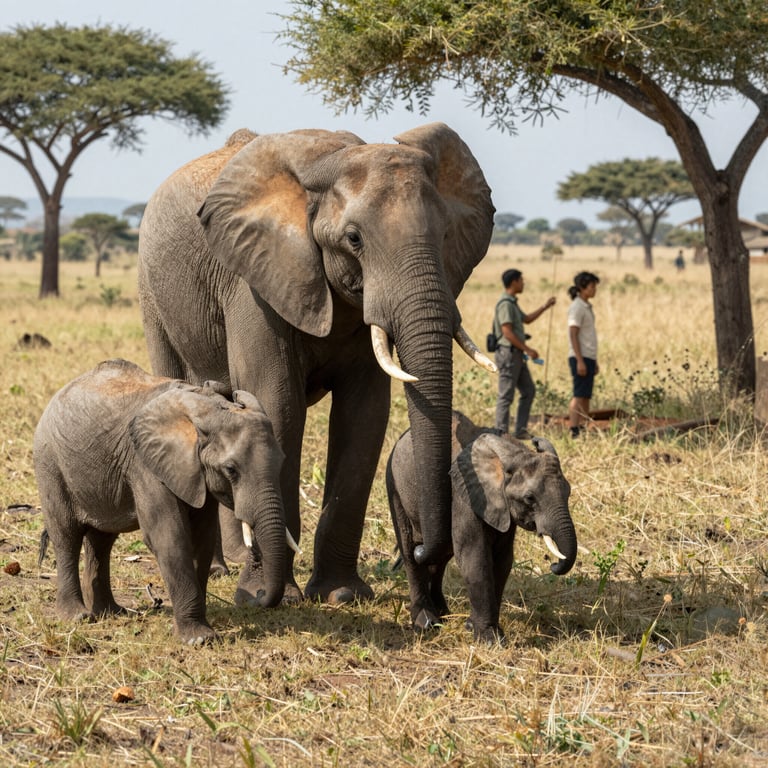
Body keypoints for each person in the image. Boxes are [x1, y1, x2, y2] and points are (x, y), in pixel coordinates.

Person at [493, 269, 556, 439]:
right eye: (521, 280)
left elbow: (526, 319)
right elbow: (507, 332)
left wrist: (545, 306)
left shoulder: (512, 303)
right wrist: (527, 349)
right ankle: (500, 434)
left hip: (517, 355)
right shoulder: (505, 304)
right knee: (506, 395)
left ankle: (520, 431)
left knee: (528, 390)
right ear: (514, 282)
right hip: (509, 354)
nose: (523, 283)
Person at [567, 271, 600, 438]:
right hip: (580, 356)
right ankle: (574, 428)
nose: (594, 290)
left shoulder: (586, 306)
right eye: (592, 287)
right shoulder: (577, 307)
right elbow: (573, 334)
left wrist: (594, 361)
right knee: (579, 394)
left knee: (586, 395)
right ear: (582, 288)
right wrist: (579, 360)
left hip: (588, 356)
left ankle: (584, 426)